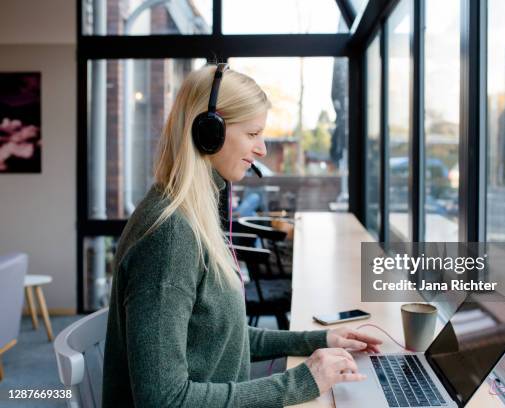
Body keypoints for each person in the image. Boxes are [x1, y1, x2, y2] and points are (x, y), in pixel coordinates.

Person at [102, 64, 382, 407]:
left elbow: (221, 336)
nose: (262, 148)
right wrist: (300, 382)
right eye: (252, 134)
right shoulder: (172, 236)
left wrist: (319, 339)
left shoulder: (191, 214)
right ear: (210, 132)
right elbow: (163, 400)